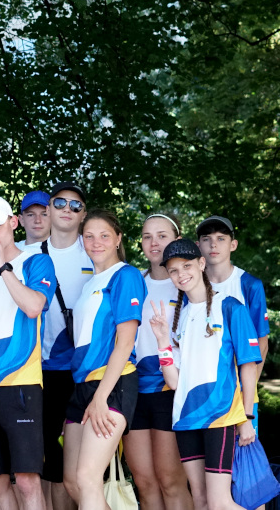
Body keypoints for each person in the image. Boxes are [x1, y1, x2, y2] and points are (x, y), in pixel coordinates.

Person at [149, 238, 260, 510]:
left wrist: (247, 417)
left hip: (220, 416)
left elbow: (248, 366)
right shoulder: (179, 318)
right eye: (173, 270)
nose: (181, 274)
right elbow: (174, 381)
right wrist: (162, 341)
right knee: (200, 500)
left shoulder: (231, 306)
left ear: (201, 264)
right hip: (186, 419)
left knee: (219, 502)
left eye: (186, 266)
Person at [0, 196, 56, 510]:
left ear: (13, 223)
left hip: (22, 384)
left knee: (28, 480)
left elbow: (33, 306)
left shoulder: (36, 262)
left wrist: (3, 266)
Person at [61, 210, 145, 508]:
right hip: (82, 386)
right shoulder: (89, 284)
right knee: (73, 482)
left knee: (88, 478)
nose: (96, 242)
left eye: (104, 235)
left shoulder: (126, 275)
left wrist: (100, 398)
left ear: (118, 238)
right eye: (89, 236)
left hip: (112, 384)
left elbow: (125, 342)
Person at [124, 214, 191, 510]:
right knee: (144, 482)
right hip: (134, 389)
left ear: (177, 240)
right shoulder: (133, 281)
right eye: (147, 236)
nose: (154, 243)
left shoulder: (187, 284)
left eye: (162, 236)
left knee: (171, 481)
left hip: (172, 390)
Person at [39, 181, 94, 510]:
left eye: (76, 205)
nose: (67, 209)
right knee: (49, 454)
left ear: (83, 214)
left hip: (85, 369)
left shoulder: (95, 251)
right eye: (60, 202)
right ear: (49, 209)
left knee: (83, 464)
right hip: (40, 368)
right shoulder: (28, 254)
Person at [196, 215, 270, 433]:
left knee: (243, 450)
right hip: (201, 392)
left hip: (240, 394)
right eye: (207, 239)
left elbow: (261, 344)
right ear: (198, 245)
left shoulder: (250, 285)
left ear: (233, 244)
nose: (213, 245)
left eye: (221, 238)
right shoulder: (190, 284)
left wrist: (246, 393)